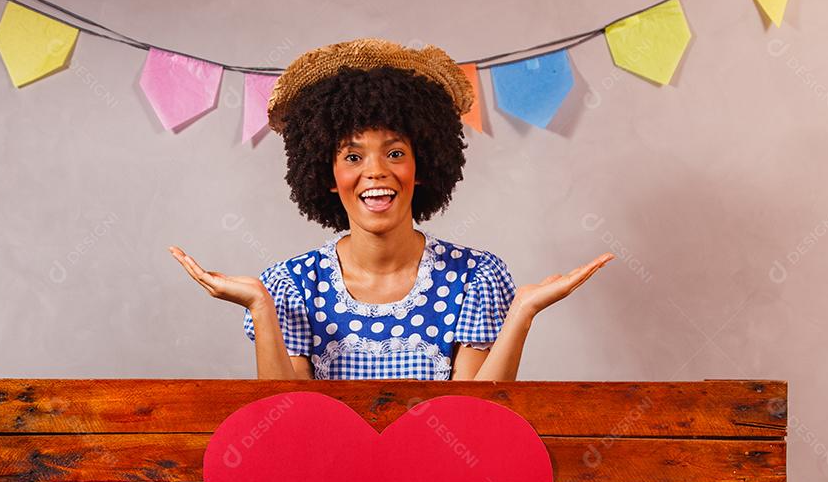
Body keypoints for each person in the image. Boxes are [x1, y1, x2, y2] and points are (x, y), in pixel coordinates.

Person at [169, 38, 613, 381]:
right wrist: (260, 306)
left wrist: (523, 312)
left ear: (423, 167)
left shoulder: (476, 278)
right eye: (353, 156)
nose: (376, 172)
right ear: (327, 175)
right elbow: (287, 424)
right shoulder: (290, 287)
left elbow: (474, 421)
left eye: (396, 153)